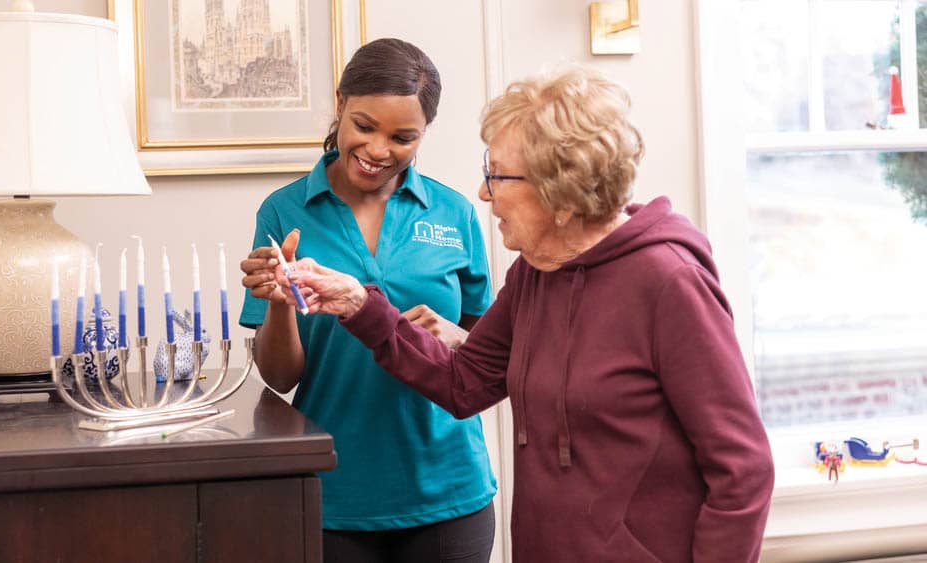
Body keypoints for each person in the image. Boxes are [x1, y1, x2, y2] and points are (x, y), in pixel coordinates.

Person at [264, 67, 777, 562]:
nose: (484, 193)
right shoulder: (536, 271)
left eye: (498, 175)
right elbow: (464, 383)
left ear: (561, 191)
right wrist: (359, 304)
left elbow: (742, 469)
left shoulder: (669, 281)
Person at [238, 38, 496, 562]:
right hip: (336, 492)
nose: (379, 150)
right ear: (340, 106)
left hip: (449, 488)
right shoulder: (285, 211)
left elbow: (487, 357)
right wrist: (282, 300)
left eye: (403, 137)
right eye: (364, 126)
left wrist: (455, 337)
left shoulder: (454, 213)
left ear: (425, 134)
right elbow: (282, 378)